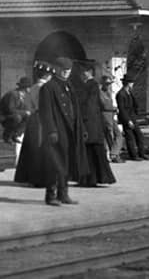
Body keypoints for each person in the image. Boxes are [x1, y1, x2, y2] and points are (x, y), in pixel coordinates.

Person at [40, 57, 88, 206]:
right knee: (55, 164)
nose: (66, 72)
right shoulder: (48, 88)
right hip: (57, 131)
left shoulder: (69, 86)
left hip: (70, 130)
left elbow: (76, 111)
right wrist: (51, 130)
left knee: (66, 163)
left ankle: (64, 194)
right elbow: (45, 112)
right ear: (56, 68)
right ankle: (51, 195)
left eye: (68, 70)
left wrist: (82, 128)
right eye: (63, 69)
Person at [15, 61, 53, 186]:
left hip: (33, 118)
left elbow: (28, 105)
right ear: (47, 76)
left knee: (31, 148)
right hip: (43, 118)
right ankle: (40, 178)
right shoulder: (45, 88)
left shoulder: (32, 88)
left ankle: (29, 177)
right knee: (41, 148)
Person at [78, 65, 116, 187]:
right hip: (94, 122)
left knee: (91, 152)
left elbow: (88, 105)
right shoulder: (93, 85)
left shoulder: (90, 86)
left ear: (87, 72)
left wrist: (82, 119)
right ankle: (94, 178)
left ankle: (91, 178)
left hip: (89, 122)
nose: (81, 74)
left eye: (82, 72)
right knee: (93, 152)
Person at [116, 71, 149, 161]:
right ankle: (133, 155)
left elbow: (134, 104)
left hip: (133, 117)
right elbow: (122, 109)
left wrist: (136, 113)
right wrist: (128, 120)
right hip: (126, 118)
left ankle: (142, 153)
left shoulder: (130, 93)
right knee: (130, 137)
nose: (133, 84)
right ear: (128, 83)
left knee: (139, 135)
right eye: (131, 82)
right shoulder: (120, 94)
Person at [0, 76, 32, 155]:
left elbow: (24, 109)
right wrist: (24, 112)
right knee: (17, 117)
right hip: (2, 117)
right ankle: (7, 136)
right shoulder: (12, 94)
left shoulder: (22, 96)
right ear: (26, 88)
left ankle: (16, 135)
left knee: (27, 116)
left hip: (11, 116)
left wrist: (27, 112)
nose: (30, 89)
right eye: (29, 87)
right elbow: (10, 110)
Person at [100, 73, 124, 162]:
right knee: (109, 135)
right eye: (106, 84)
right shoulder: (100, 92)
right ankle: (113, 155)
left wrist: (114, 109)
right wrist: (114, 108)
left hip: (111, 115)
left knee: (119, 134)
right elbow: (104, 105)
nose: (108, 85)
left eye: (109, 84)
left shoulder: (108, 92)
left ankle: (114, 153)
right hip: (105, 115)